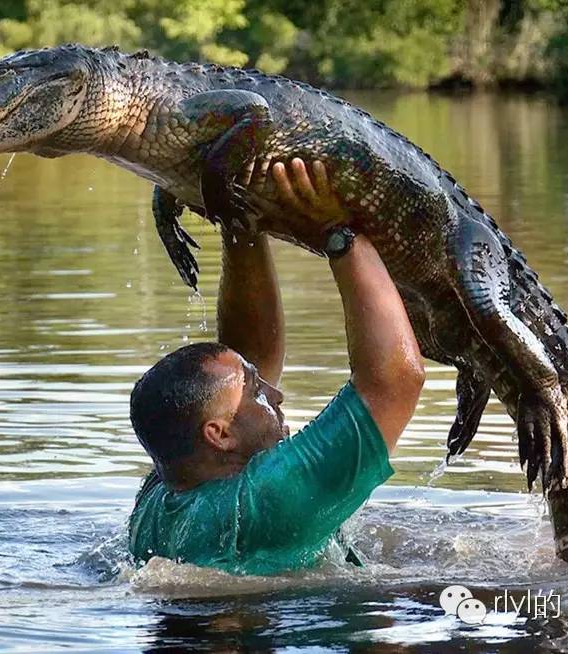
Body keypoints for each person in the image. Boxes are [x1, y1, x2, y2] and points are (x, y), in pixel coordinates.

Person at [128, 159, 425, 575]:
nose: (275, 394)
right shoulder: (267, 500)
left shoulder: (161, 496)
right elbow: (394, 380)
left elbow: (242, 363)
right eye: (256, 392)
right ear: (219, 434)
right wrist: (338, 231)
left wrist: (239, 222)